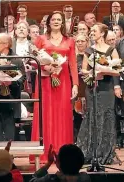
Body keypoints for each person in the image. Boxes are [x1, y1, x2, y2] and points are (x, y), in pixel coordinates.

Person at [30, 11, 78, 163]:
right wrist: (47, 68)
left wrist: (75, 84)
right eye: (54, 19)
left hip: (63, 81)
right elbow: (33, 60)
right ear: (48, 22)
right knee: (45, 114)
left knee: (62, 115)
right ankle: (44, 153)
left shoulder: (70, 40)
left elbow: (73, 64)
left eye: (59, 19)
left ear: (63, 23)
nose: (56, 21)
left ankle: (62, 153)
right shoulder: (40, 39)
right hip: (45, 81)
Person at [77, 23, 121, 165]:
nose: (91, 33)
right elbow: (83, 70)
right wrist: (92, 72)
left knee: (106, 117)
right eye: (91, 31)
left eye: (94, 31)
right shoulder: (89, 50)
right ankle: (90, 152)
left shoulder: (111, 50)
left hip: (107, 89)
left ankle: (105, 152)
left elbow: (117, 70)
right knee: (92, 117)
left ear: (102, 33)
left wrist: (104, 70)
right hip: (93, 89)